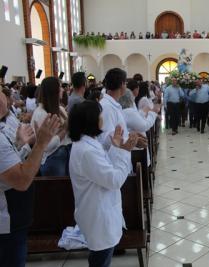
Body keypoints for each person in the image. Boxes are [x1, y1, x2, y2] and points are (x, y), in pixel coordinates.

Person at [69, 101, 137, 267]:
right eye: (99, 116)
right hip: (98, 216)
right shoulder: (87, 151)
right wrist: (124, 151)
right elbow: (114, 180)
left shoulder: (88, 144)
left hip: (100, 211)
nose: (102, 118)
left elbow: (104, 168)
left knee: (101, 257)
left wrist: (116, 145)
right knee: (100, 260)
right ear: (91, 120)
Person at [0, 89, 60, 267]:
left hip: (15, 219)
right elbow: (22, 180)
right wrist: (41, 142)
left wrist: (21, 145)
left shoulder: (4, 129)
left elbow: (10, 163)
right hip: (8, 222)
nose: (7, 101)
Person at [98, 68, 145, 153]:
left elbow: (117, 133)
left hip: (121, 158)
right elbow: (107, 139)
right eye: (125, 83)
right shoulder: (107, 107)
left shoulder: (114, 105)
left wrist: (131, 137)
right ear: (122, 84)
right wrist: (131, 141)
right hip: (114, 160)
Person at [31, 77, 70, 176]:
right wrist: (64, 130)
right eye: (60, 87)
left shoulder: (59, 108)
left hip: (63, 153)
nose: (62, 90)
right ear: (53, 91)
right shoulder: (41, 114)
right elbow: (45, 146)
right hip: (51, 159)